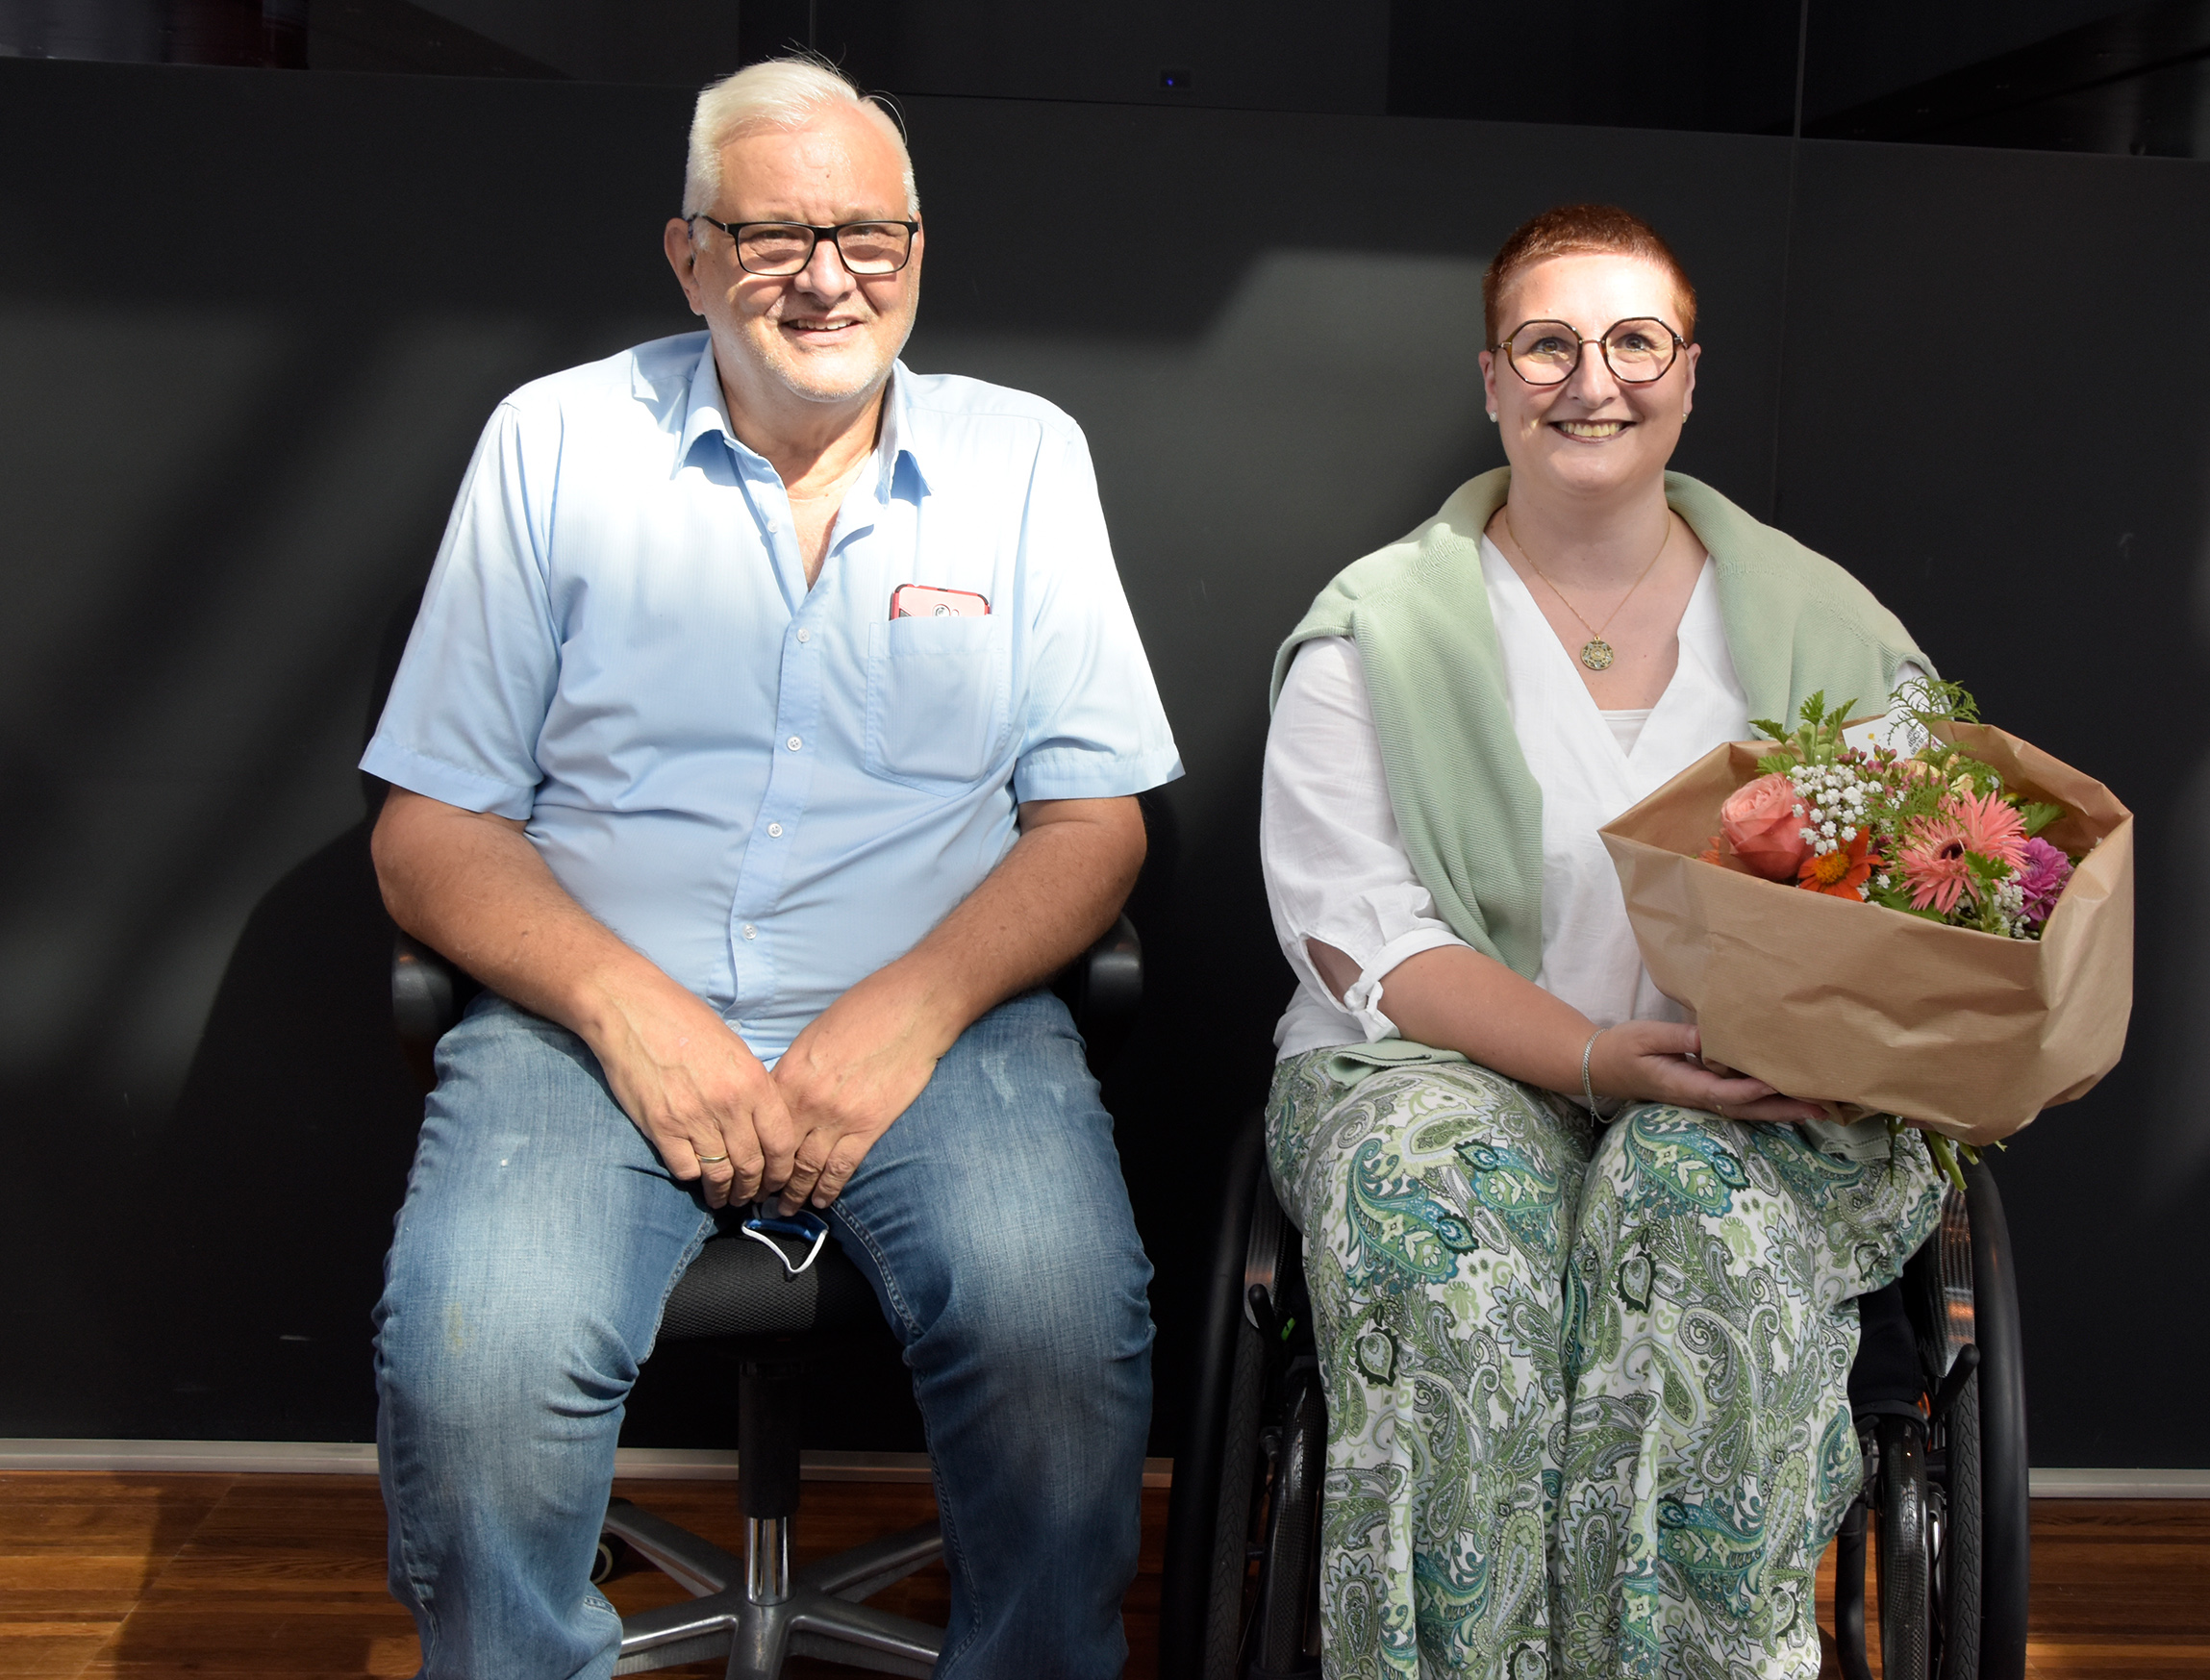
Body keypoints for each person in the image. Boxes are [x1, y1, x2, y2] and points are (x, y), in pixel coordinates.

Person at [362, 55, 1179, 1680]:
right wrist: (629, 1012)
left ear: (919, 253)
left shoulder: (1024, 459)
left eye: (871, 237)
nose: (829, 278)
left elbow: (1096, 820)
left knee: (1056, 1336)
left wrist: (909, 1012)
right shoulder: (558, 441)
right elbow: (430, 825)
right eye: (775, 235)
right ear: (687, 254)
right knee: (476, 1361)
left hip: (940, 1027)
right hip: (588, 1028)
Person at [1259, 204, 1946, 1679]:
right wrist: (1586, 1057)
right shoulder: (1372, 634)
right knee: (1446, 1251)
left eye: (1636, 341)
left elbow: (1927, 902)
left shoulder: (1840, 635)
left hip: (1747, 1094)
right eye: (1549, 343)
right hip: (1443, 1075)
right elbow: (1358, 935)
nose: (1596, 379)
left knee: (1692, 1213)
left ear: (1688, 376)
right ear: (1493, 380)